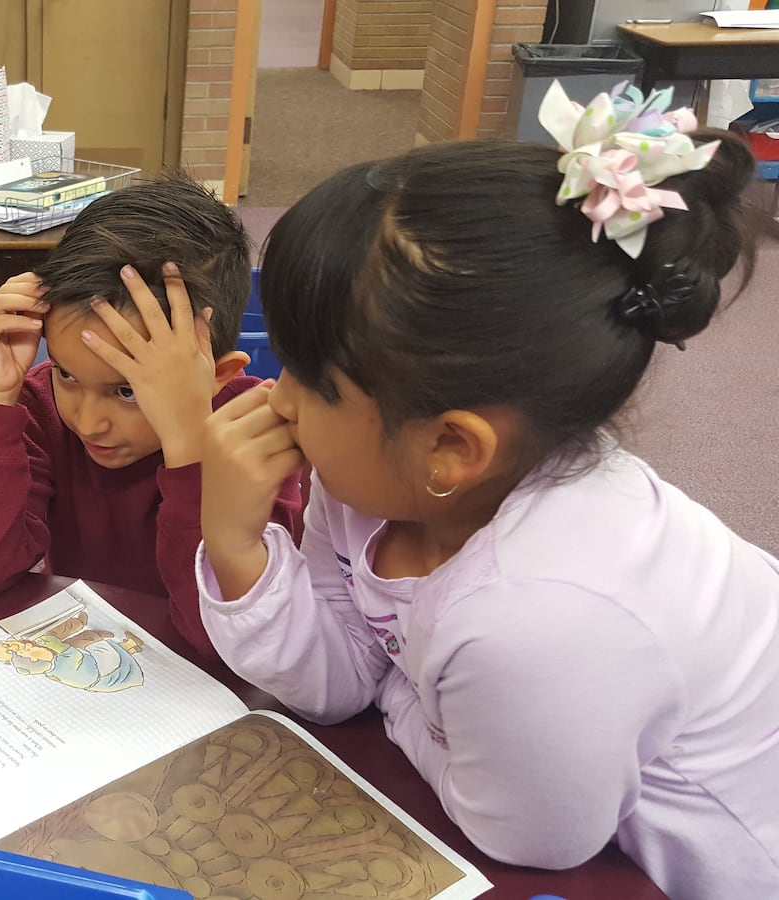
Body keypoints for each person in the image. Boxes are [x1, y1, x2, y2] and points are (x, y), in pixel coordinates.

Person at [196, 87, 777, 899]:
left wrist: (400, 698)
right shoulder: (380, 480)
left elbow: (529, 835)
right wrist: (236, 546)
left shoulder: (538, 616)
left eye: (308, 380)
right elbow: (335, 686)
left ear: (452, 447)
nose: (275, 396)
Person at [0, 174, 303, 661]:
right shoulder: (41, 407)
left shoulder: (257, 438)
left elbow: (223, 642)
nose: (88, 421)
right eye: (67, 373)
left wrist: (189, 444)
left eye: (128, 390)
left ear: (218, 376)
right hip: (86, 662)